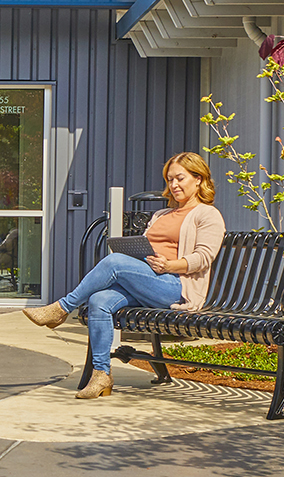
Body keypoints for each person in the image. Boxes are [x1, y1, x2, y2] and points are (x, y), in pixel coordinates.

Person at [21, 151, 226, 399]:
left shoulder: (207, 214)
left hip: (176, 287)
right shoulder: (161, 215)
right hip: (148, 283)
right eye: (170, 179)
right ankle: (101, 375)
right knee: (99, 301)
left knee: (115, 262)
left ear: (198, 178)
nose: (173, 185)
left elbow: (203, 257)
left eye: (180, 178)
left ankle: (62, 308)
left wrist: (169, 265)